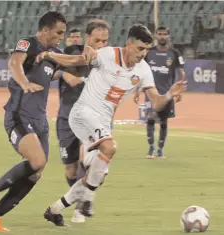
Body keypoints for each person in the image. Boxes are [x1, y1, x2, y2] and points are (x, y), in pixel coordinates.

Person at [39, 24, 187, 226]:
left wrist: (170, 93)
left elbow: (157, 102)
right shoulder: (107, 55)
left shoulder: (143, 70)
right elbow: (79, 60)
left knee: (96, 176)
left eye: (146, 49)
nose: (143, 54)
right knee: (109, 147)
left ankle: (55, 209)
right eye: (140, 48)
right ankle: (87, 202)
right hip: (83, 113)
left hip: (102, 122)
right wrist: (50, 55)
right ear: (128, 44)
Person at [0, 11, 95, 231]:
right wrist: (24, 83)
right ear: (45, 29)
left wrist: (90, 49)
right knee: (38, 161)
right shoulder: (28, 43)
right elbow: (14, 63)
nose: (61, 36)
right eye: (58, 32)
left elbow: (78, 64)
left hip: (40, 121)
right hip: (19, 114)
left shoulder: (54, 54)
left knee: (36, 173)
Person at [54, 19, 109, 223]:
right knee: (70, 168)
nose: (102, 45)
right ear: (87, 39)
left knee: (96, 169)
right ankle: (79, 202)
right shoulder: (71, 56)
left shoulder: (108, 61)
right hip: (67, 116)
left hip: (92, 118)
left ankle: (83, 202)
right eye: (98, 40)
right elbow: (62, 76)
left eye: (105, 41)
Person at [134, 27, 185, 159]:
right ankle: (151, 148)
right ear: (156, 36)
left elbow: (181, 71)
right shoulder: (148, 52)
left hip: (167, 93)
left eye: (165, 34)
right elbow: (138, 69)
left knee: (163, 122)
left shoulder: (174, 53)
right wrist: (137, 89)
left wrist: (180, 91)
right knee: (150, 118)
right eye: (160, 34)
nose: (162, 36)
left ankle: (160, 150)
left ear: (168, 36)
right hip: (151, 91)